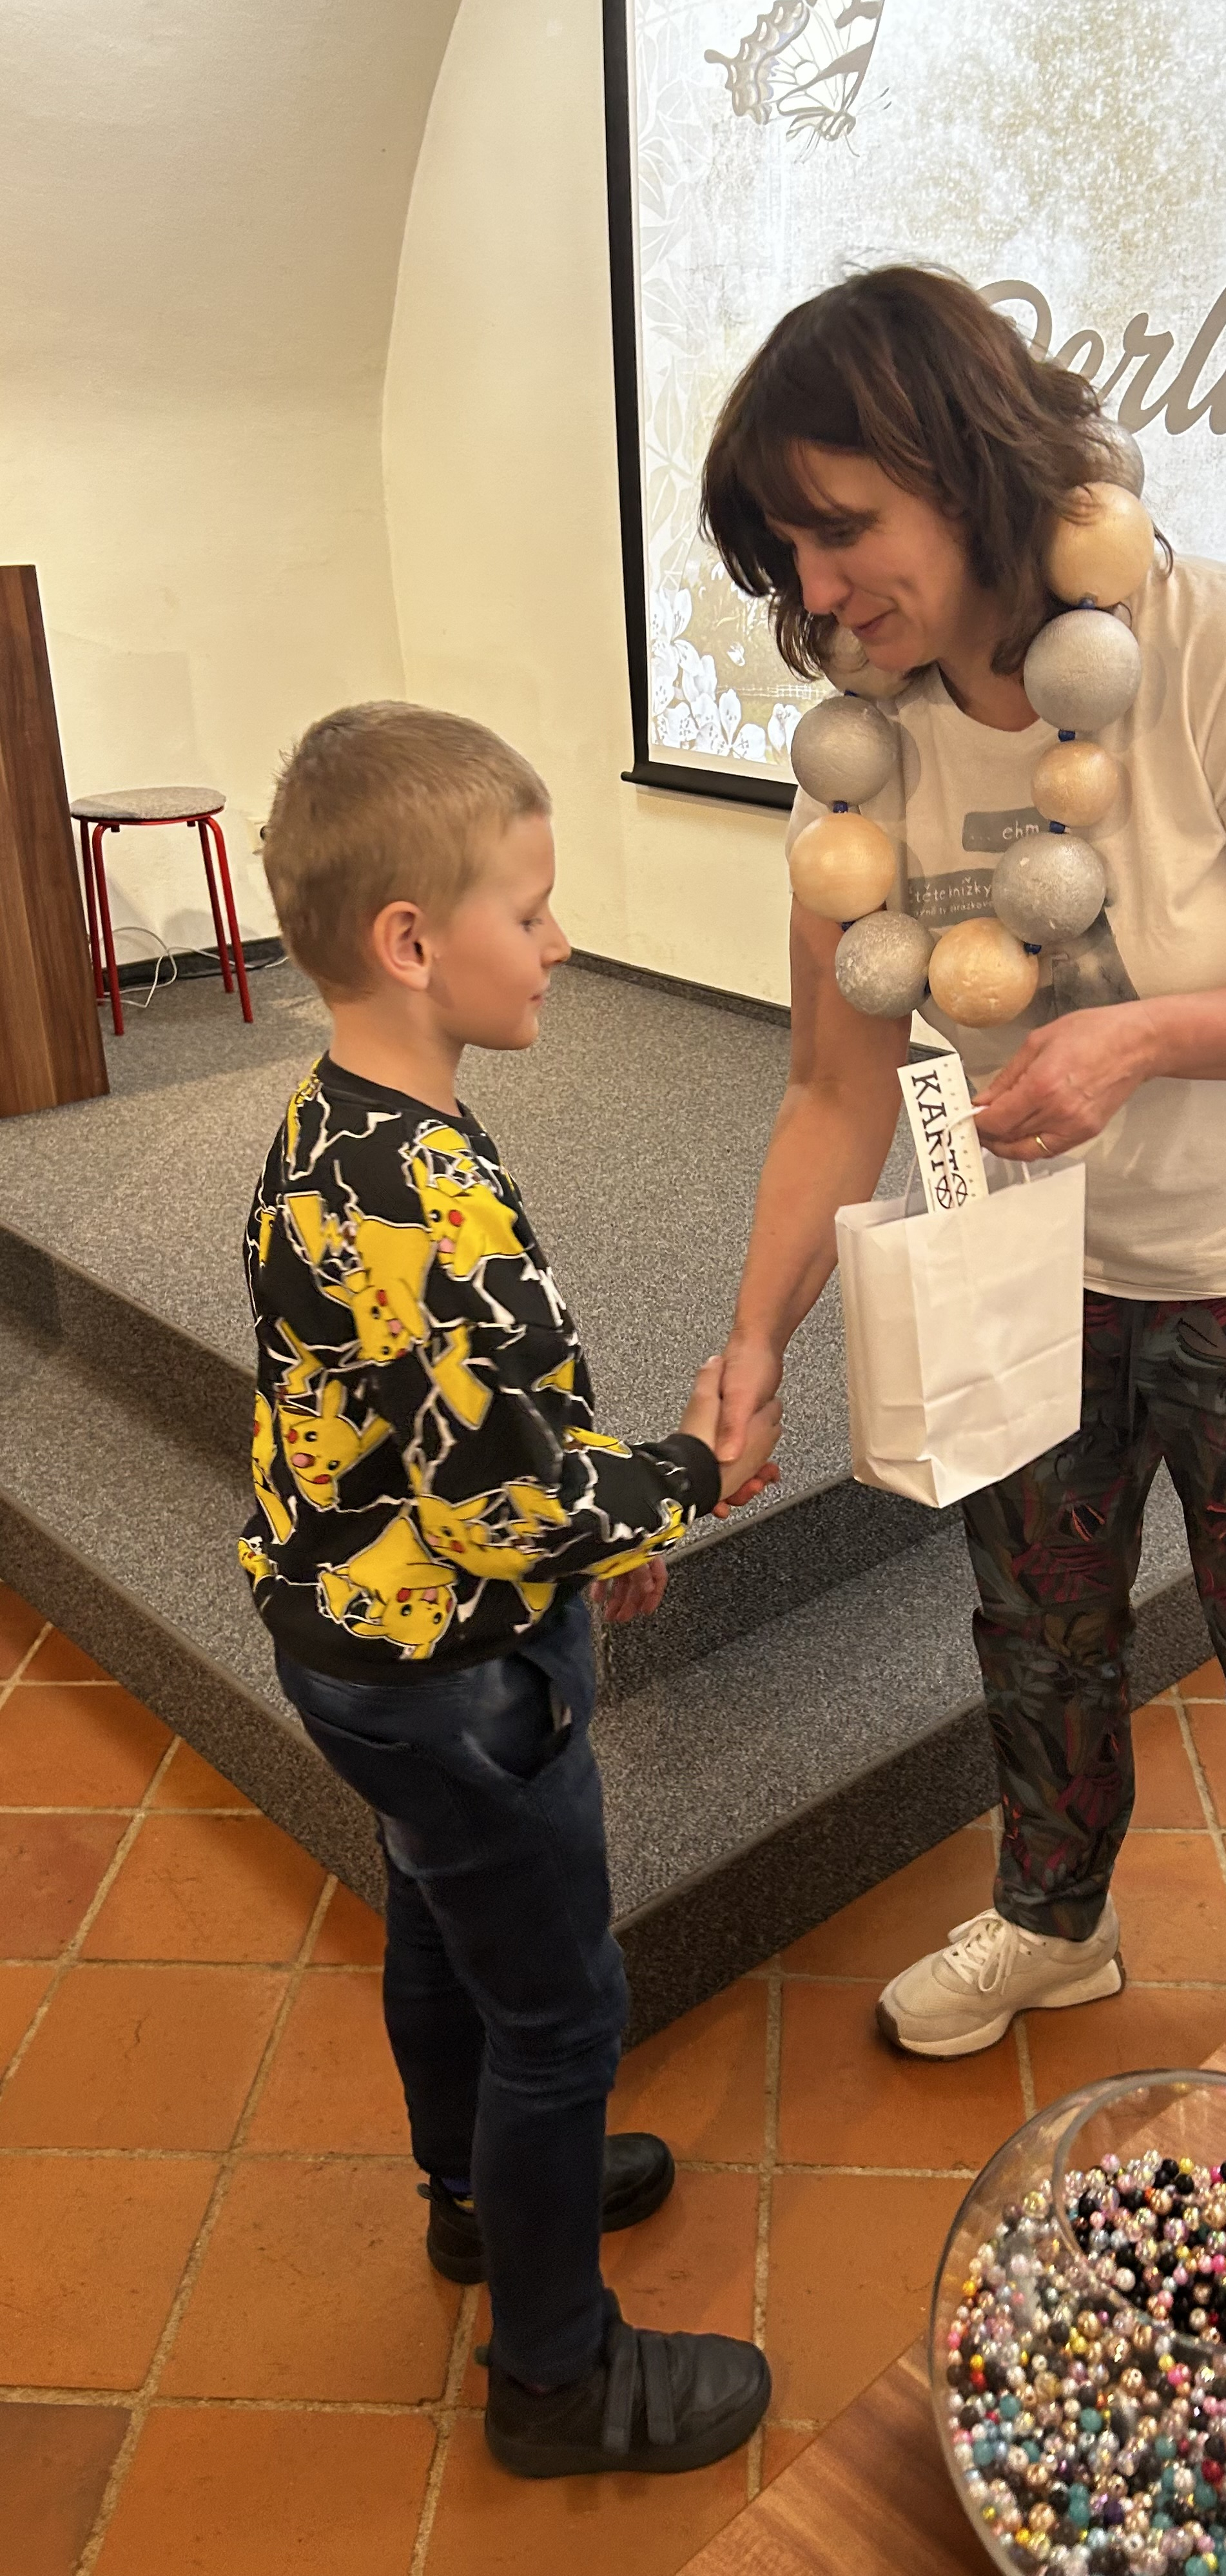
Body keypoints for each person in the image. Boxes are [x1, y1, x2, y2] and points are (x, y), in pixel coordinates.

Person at [701, 264, 1226, 2055]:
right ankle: (1054, 1921)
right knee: (1036, 1630)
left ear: (969, 469)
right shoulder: (861, 745)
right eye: (782, 553)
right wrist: (753, 1341)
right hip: (1039, 1264)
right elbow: (833, 1086)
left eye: (841, 530)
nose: (815, 592)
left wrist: (1142, 1036)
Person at [239, 701, 780, 2477]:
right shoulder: (437, 1200)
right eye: (531, 911)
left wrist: (592, 1529)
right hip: (457, 1678)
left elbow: (445, 1426)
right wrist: (686, 1475)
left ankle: (475, 2192)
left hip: (354, 1642)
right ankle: (557, 2379)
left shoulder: (331, 1133)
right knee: (559, 2011)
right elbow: (508, 1506)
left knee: (436, 1918)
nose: (558, 943)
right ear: (413, 941)